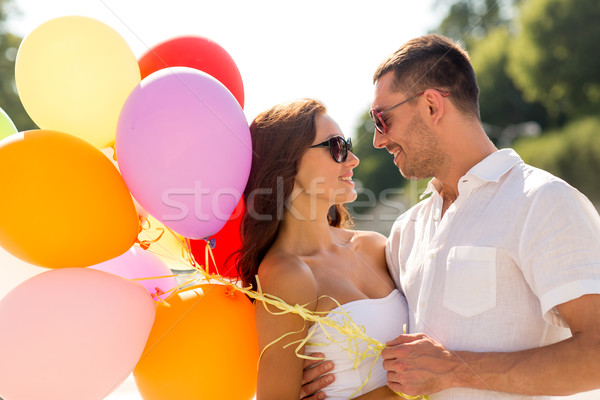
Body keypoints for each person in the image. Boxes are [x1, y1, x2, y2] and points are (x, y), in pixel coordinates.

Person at [302, 34, 600, 399]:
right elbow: (406, 368)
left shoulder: (544, 202)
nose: (378, 141)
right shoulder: (404, 232)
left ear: (431, 106)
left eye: (382, 120)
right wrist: (336, 377)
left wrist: (456, 369)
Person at [237, 99, 410, 400]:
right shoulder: (286, 276)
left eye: (347, 145)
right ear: (287, 162)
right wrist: (407, 389)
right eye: (336, 147)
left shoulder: (374, 245)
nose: (353, 159)